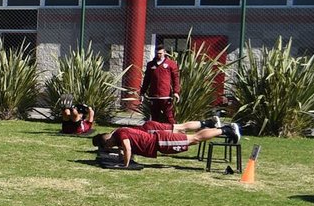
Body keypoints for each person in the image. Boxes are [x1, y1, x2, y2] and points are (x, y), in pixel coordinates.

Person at [93, 116, 236, 167]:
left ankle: (225, 130)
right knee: (192, 139)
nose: (109, 148)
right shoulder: (117, 134)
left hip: (161, 141)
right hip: (160, 140)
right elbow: (123, 148)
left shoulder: (120, 134)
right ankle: (220, 128)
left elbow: (127, 148)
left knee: (194, 138)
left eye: (107, 146)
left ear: (106, 141)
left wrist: (124, 165)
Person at [140, 42, 180, 124]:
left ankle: (176, 133)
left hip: (166, 96)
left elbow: (175, 78)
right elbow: (146, 79)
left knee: (169, 116)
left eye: (161, 53)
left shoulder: (171, 64)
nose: (159, 55)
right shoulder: (151, 64)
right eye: (157, 53)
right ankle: (155, 134)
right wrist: (142, 92)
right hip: (153, 96)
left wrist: (176, 92)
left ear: (164, 53)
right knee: (154, 117)